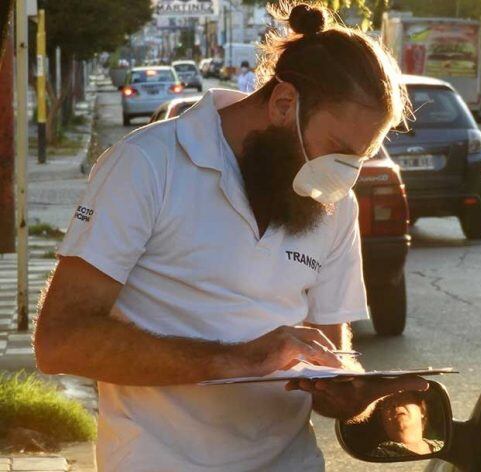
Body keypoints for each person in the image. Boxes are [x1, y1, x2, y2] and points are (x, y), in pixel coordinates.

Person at [34, 3, 425, 471]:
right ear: (284, 103)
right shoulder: (146, 165)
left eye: (358, 159)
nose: (344, 176)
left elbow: (329, 356)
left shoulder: (334, 202)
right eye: (339, 150)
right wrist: (237, 359)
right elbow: (60, 340)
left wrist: (352, 395)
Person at [370, 391, 444, 458]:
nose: (395, 404)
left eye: (402, 396)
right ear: (382, 420)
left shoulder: (443, 446)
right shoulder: (379, 455)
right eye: (387, 401)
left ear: (422, 409)